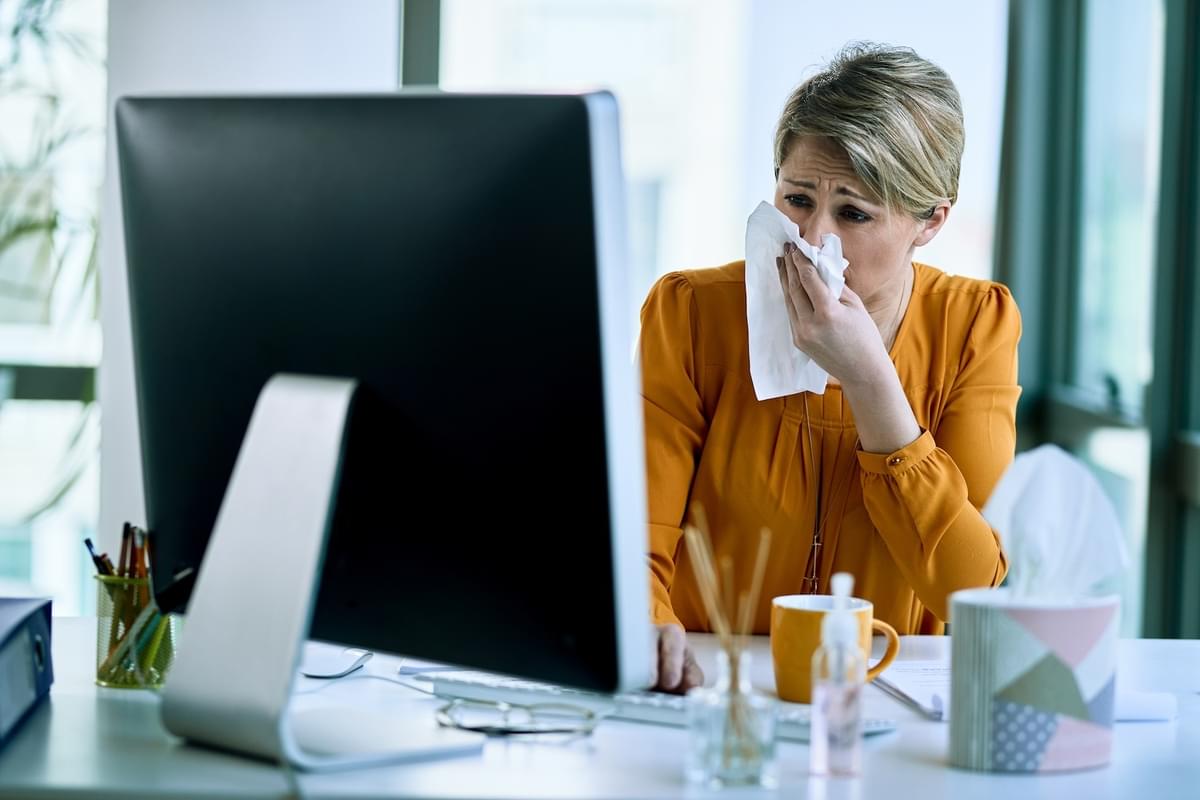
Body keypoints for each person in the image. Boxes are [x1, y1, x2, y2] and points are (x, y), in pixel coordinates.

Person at [642, 42, 1021, 693]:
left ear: (930, 222)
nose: (813, 238)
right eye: (796, 199)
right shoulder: (691, 313)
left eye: (853, 213)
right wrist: (645, 623)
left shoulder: (974, 325)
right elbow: (635, 532)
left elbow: (969, 587)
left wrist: (873, 382)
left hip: (882, 689)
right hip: (709, 684)